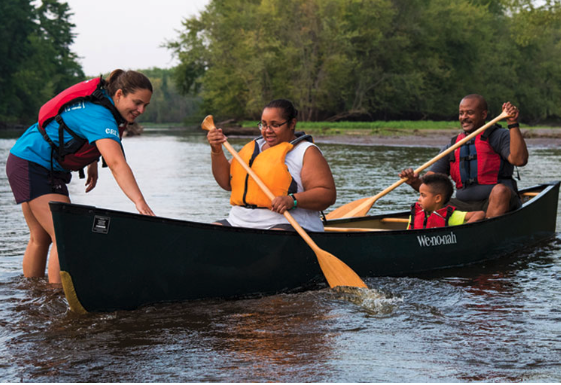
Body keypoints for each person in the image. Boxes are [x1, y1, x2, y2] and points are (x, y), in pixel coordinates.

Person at [6, 69, 155, 284]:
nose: (141, 110)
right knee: (65, 235)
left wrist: (92, 162)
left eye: (145, 106)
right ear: (120, 94)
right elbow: (116, 163)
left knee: (41, 238)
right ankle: (56, 297)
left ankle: (33, 296)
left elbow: (78, 130)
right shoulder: (99, 114)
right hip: (33, 163)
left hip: (27, 159)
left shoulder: (101, 103)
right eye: (137, 102)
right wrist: (140, 202)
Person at [206, 99, 336, 232]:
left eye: (275, 125)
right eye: (263, 125)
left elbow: (327, 195)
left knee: (273, 236)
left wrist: (292, 200)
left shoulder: (306, 152)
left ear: (292, 123)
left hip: (288, 224)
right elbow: (226, 183)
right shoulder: (253, 148)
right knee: (211, 231)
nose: (267, 130)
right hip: (238, 222)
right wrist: (216, 150)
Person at [399, 95, 528, 218]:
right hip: (464, 206)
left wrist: (512, 124)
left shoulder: (499, 136)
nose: (464, 117)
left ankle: (487, 230)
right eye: (461, 113)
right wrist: (413, 181)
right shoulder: (454, 145)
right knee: (431, 201)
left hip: (498, 202)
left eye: (469, 113)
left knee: (500, 191)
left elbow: (519, 160)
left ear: (483, 114)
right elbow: (428, 186)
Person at [407, 173, 484, 229]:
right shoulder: (414, 214)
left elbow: (480, 214)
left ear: (437, 199)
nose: (419, 199)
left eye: (423, 195)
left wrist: (463, 230)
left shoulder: (451, 216)